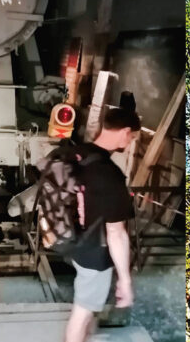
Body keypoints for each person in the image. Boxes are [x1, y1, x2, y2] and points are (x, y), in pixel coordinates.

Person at [66, 107, 140, 342]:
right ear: (125, 132)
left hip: (75, 242)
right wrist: (125, 281)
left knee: (88, 310)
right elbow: (116, 234)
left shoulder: (78, 154)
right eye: (133, 138)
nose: (130, 143)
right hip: (95, 255)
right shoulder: (109, 174)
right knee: (82, 312)